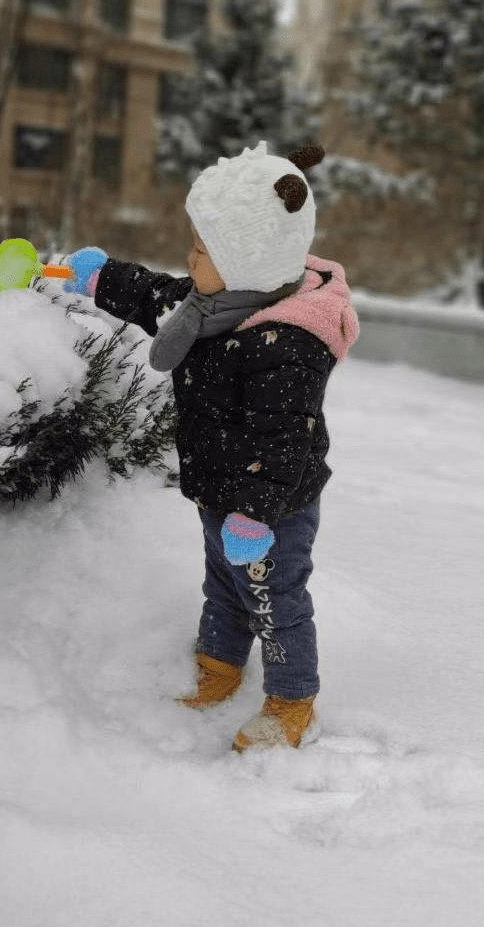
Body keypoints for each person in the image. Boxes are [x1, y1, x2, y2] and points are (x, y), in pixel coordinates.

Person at [63, 141, 359, 751]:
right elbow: (156, 296)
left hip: (270, 505)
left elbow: (285, 444)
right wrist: (102, 277)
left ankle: (292, 700)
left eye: (202, 248)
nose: (189, 256)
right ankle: (220, 663)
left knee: (275, 597)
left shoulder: (286, 344)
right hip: (219, 486)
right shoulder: (211, 306)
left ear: (246, 258)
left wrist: (256, 514)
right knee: (223, 581)